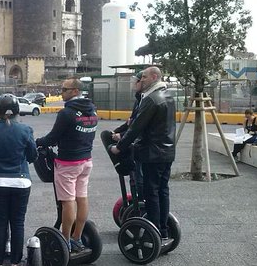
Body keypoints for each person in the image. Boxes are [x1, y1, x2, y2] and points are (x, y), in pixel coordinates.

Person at [111, 66, 175, 240]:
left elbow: (136, 128)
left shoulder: (152, 99)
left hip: (152, 153)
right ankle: (163, 229)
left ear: (154, 77)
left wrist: (119, 147)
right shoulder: (168, 95)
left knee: (151, 192)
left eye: (145, 77)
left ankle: (152, 231)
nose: (142, 79)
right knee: (163, 190)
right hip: (167, 151)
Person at [36, 78, 98, 252]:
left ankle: (65, 241)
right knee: (82, 198)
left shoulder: (67, 113)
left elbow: (52, 137)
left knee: (68, 201)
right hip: (87, 160)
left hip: (68, 162)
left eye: (64, 89)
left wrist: (38, 142)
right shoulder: (92, 110)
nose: (61, 92)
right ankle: (77, 237)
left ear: (75, 91)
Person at [0, 94, 37, 266]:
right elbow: (32, 156)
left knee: (0, 222)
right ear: (17, 111)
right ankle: (16, 263)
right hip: (21, 181)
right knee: (18, 222)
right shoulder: (26, 130)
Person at [112, 70, 145, 199]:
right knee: (135, 175)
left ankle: (142, 203)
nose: (133, 84)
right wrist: (117, 131)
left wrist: (122, 136)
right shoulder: (139, 99)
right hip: (134, 142)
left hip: (141, 144)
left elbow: (139, 125)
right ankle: (138, 200)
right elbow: (131, 121)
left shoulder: (146, 100)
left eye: (134, 81)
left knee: (139, 175)